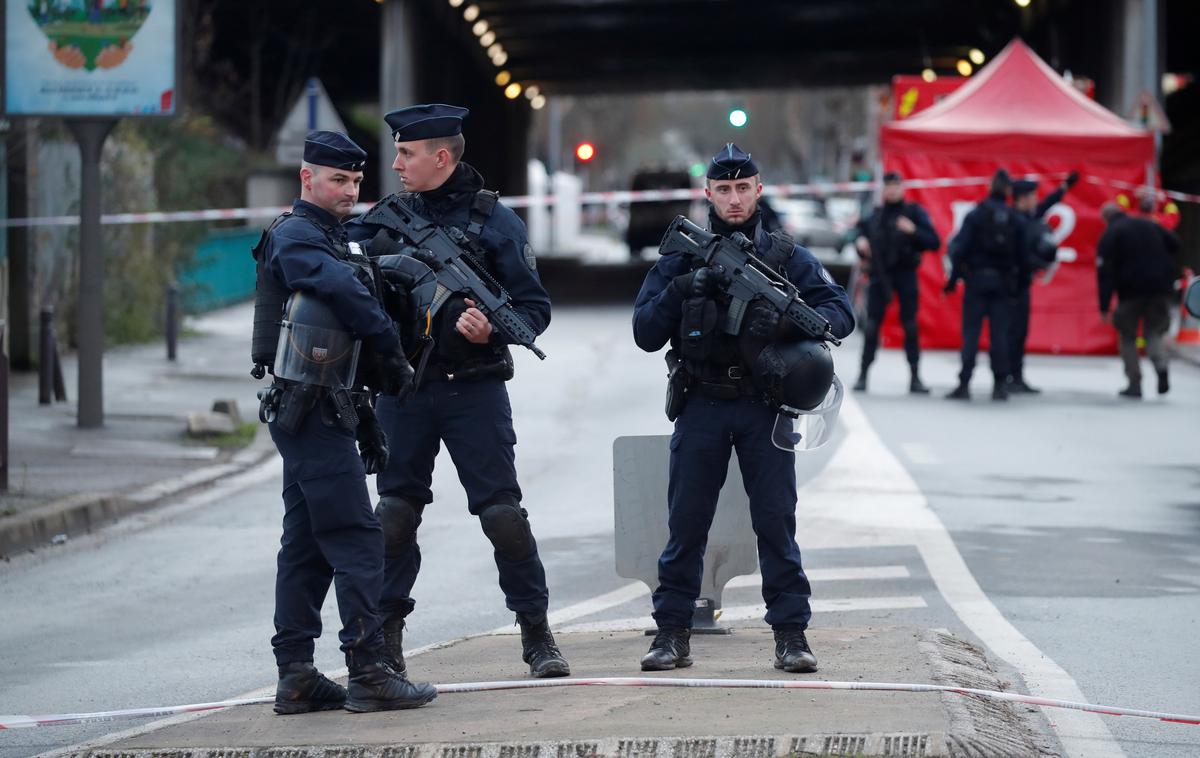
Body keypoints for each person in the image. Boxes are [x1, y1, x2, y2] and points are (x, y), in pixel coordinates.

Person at [348, 104, 569, 679]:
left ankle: (537, 634)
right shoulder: (383, 218)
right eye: (396, 152)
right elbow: (346, 278)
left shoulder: (496, 222)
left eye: (406, 154)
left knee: (502, 515)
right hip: (405, 388)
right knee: (394, 516)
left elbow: (536, 309)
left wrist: (493, 327)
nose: (394, 163)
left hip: (474, 388)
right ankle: (386, 640)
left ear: (441, 157)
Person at [631, 143, 854, 673]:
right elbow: (644, 332)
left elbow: (838, 314)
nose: (734, 199)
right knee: (686, 523)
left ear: (759, 190)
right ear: (708, 194)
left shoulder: (784, 257)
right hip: (702, 401)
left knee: (776, 522)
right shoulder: (683, 255)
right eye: (723, 190)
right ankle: (671, 633)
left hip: (763, 405)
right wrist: (685, 286)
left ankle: (791, 635)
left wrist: (785, 320)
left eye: (742, 188)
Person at [254, 131, 437, 714]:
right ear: (307, 179)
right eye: (339, 180)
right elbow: (334, 287)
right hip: (310, 409)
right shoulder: (297, 237)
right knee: (359, 538)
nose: (349, 191)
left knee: (307, 541)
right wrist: (388, 344)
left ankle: (298, 675)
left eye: (357, 181)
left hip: (328, 405)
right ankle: (369, 669)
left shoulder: (335, 237)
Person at [851, 171, 941, 394]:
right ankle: (863, 375)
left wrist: (913, 231)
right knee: (872, 327)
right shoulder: (875, 216)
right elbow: (856, 234)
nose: (892, 190)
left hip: (905, 275)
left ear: (902, 188)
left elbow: (934, 242)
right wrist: (860, 242)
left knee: (910, 326)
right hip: (880, 277)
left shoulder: (914, 213)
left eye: (896, 185)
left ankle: (915, 377)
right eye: (888, 185)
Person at [944, 170, 1026, 401]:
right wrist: (1018, 287)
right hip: (1002, 283)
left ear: (990, 187)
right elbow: (1023, 257)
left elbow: (959, 250)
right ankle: (1000, 384)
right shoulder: (1014, 218)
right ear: (1009, 190)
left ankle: (964, 383)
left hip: (977, 281)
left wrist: (953, 280)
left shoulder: (977, 215)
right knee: (999, 335)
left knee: (971, 334)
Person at [1097, 202, 1181, 398]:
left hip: (1130, 293)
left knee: (1128, 336)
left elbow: (1105, 274)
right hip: (1160, 289)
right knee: (1153, 333)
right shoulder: (1149, 225)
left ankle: (1134, 383)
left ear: (1106, 219)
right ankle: (1161, 367)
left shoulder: (1111, 234)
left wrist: (1103, 305)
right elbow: (1175, 242)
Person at [1006, 172, 1077, 394]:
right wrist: (1042, 264)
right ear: (1022, 198)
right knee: (1009, 333)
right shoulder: (1011, 221)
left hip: (1022, 283)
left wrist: (1065, 187)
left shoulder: (1030, 216)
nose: (1036, 200)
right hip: (1009, 285)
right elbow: (1018, 255)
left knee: (1020, 333)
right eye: (1032, 196)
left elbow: (1048, 203)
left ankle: (1016, 376)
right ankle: (1005, 376)